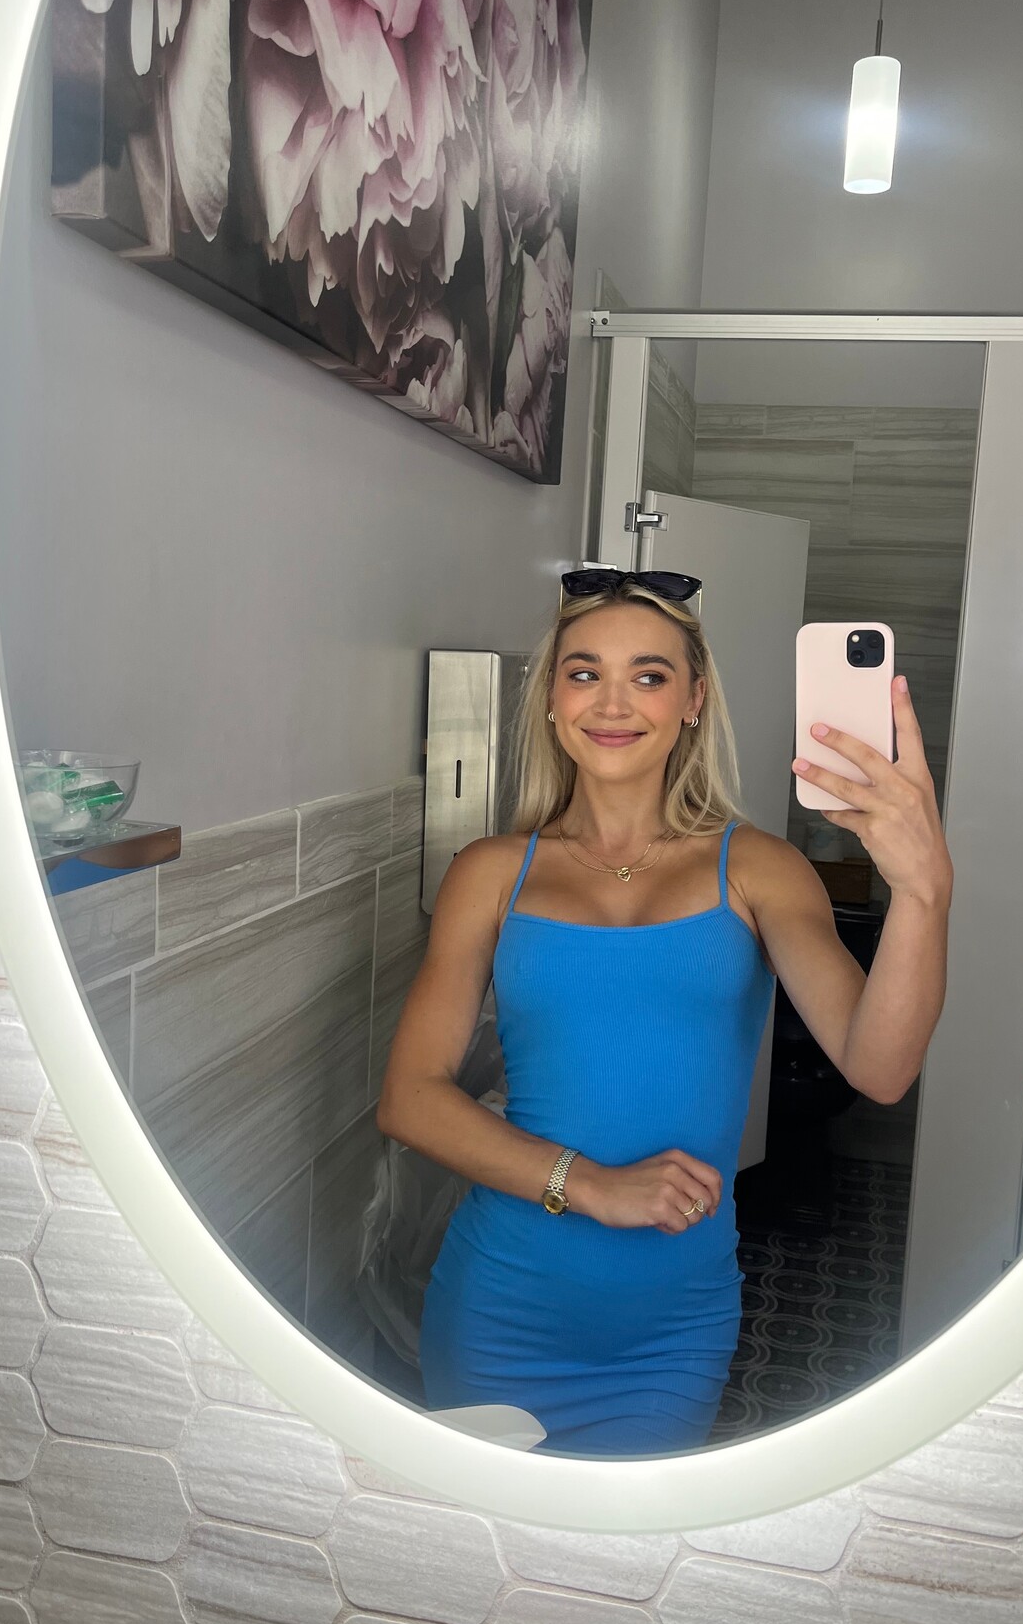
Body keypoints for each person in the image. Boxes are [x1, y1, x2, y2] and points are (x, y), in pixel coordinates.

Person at [376, 567, 953, 1456]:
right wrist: (593, 1185)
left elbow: (880, 1069)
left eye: (648, 675)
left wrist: (922, 891)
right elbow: (410, 1099)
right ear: (553, 699)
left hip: (668, 1335)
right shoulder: (490, 873)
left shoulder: (759, 869)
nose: (612, 703)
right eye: (584, 673)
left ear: (693, 700)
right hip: (498, 1309)